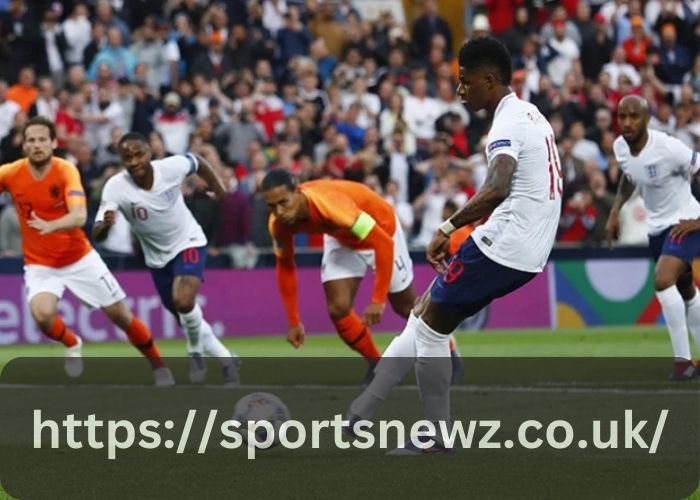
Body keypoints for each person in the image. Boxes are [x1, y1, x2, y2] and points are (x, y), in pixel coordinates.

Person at [345, 37, 563, 454]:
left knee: (429, 330)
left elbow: (498, 186)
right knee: (422, 313)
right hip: (524, 244)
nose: (460, 90)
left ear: (489, 79)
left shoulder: (508, 124)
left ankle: (436, 435)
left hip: (506, 242)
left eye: (465, 82)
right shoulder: (531, 115)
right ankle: (360, 412)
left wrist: (446, 226)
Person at [0, 117, 173, 386]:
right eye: (31, 140)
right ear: (24, 145)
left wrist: (52, 225)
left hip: (79, 258)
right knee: (42, 315)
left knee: (122, 316)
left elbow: (80, 216)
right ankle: (72, 342)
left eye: (42, 139)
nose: (36, 145)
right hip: (40, 264)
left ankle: (159, 366)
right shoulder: (10, 174)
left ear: (54, 142)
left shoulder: (65, 170)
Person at [92, 133, 240, 385]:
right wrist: (104, 226)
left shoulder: (171, 167)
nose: (135, 161)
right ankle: (227, 359)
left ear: (149, 152)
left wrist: (218, 188)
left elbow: (198, 162)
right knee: (187, 315)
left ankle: (194, 350)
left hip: (188, 242)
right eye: (128, 157)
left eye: (139, 154)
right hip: (157, 260)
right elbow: (98, 232)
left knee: (184, 301)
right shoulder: (116, 186)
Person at [261, 170, 418, 381]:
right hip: (342, 237)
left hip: (381, 230)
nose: (279, 212)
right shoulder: (278, 223)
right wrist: (293, 321)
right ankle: (377, 365)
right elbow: (286, 266)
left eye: (283, 202)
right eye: (272, 206)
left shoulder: (331, 206)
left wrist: (378, 301)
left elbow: (382, 243)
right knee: (338, 307)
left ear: (297, 191)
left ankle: (450, 352)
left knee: (404, 307)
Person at [606, 95, 700, 381]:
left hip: (685, 223)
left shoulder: (669, 148)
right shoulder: (620, 147)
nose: (627, 123)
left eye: (634, 116)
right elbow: (629, 177)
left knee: (662, 280)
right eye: (622, 116)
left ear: (647, 119)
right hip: (657, 230)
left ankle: (682, 363)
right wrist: (614, 211)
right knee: (686, 291)